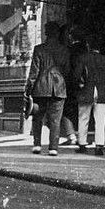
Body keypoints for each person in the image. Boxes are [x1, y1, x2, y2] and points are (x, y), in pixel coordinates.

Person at [25, 21, 72, 155]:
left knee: (37, 117)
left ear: (46, 33)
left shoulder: (39, 49)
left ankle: (37, 145)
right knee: (55, 120)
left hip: (40, 88)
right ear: (58, 34)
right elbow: (67, 70)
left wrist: (29, 89)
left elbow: (34, 71)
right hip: (59, 88)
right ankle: (53, 148)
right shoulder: (64, 50)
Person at [74, 37, 105, 155]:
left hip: (86, 90)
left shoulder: (83, 58)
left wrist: (79, 86)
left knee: (83, 118)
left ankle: (82, 144)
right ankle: (99, 146)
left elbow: (76, 75)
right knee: (101, 119)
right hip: (101, 91)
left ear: (88, 46)